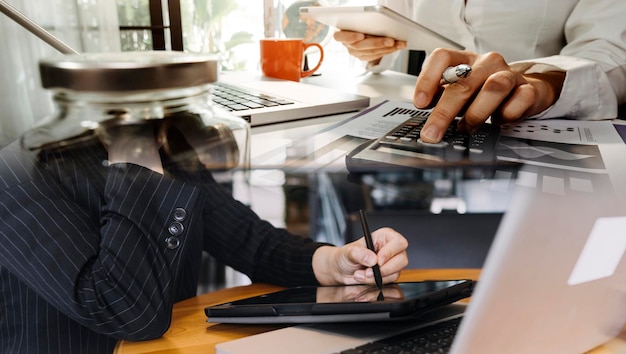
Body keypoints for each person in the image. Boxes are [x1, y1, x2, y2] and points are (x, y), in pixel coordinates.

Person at [0, 112, 409, 352]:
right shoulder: (16, 175)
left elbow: (255, 243)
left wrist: (334, 261)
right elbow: (128, 313)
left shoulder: (164, 144)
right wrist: (136, 157)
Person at [334, 0, 626, 143]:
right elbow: (389, 13)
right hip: (421, 117)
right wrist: (370, 41)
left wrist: (542, 83)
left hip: (534, 127)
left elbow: (612, 52)